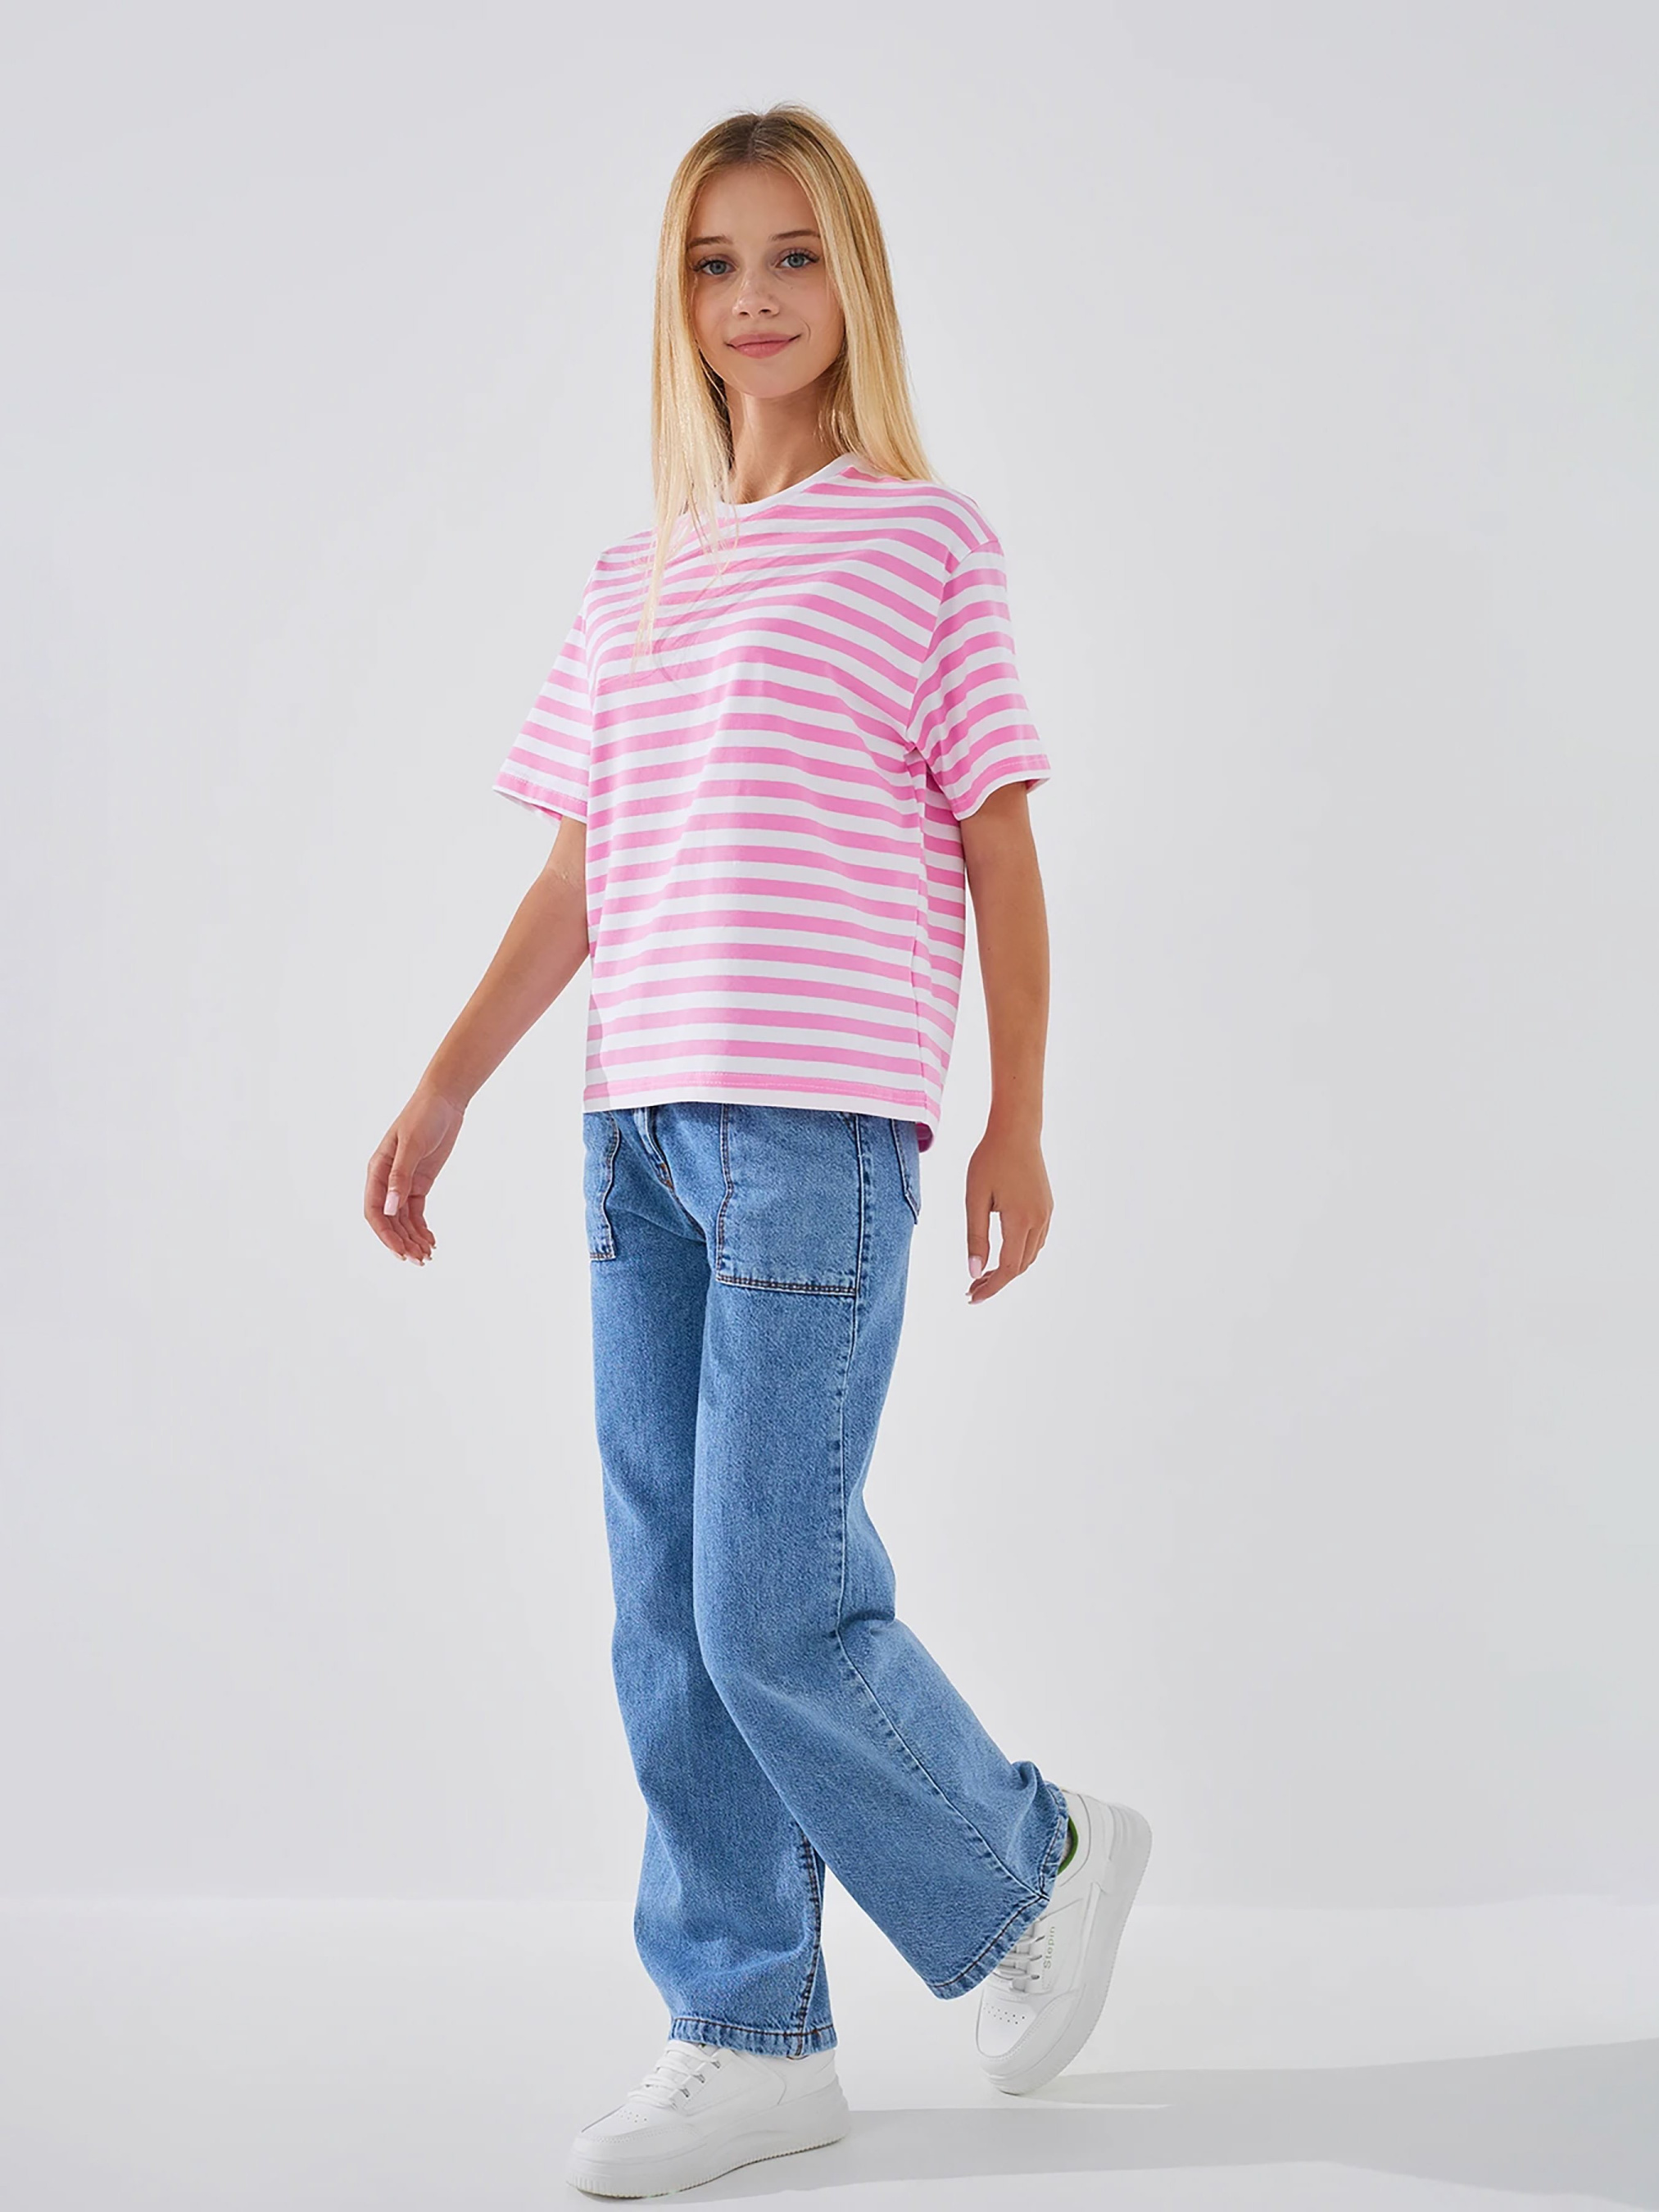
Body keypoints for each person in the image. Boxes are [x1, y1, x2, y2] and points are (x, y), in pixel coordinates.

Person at [365, 102, 1151, 2201]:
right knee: (665, 1613)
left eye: (793, 255)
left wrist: (1018, 1118)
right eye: (714, 263)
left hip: (817, 1129)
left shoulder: (925, 542)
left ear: (853, 281)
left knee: (770, 1609)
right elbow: (579, 872)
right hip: (630, 1136)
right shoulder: (633, 575)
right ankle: (745, 2029)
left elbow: (997, 841)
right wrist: (446, 1081)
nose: (754, 297)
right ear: (677, 299)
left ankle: (1032, 1860)